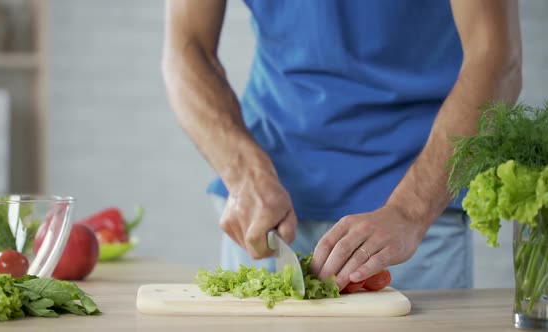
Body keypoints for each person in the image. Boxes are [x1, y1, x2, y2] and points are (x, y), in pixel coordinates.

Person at [162, 0, 522, 290]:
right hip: (265, 215)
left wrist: (410, 211)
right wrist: (243, 172)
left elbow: (495, 58)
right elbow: (186, 47)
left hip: (414, 219)